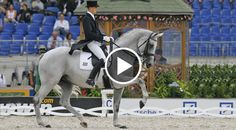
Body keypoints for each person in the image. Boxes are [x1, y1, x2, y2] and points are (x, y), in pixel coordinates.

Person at [69, 0, 113, 86]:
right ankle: (91, 78)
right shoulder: (86, 18)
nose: (96, 9)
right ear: (90, 8)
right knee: (103, 59)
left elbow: (97, 32)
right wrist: (103, 37)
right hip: (91, 43)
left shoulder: (92, 18)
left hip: (96, 42)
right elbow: (89, 35)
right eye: (95, 7)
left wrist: (106, 37)